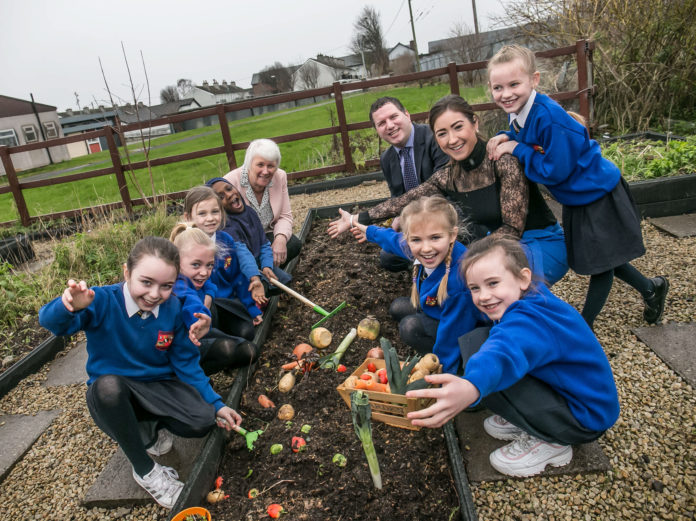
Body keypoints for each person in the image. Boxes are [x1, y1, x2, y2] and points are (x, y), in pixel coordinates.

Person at [38, 236, 241, 509]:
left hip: (158, 386)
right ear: (127, 272)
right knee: (108, 387)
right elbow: (52, 323)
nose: (155, 294)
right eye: (146, 282)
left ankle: (150, 430)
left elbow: (187, 364)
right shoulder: (101, 301)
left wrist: (216, 404)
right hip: (114, 391)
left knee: (201, 421)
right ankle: (144, 468)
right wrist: (69, 306)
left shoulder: (173, 309)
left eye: (166, 286)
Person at [485, 44, 669, 327]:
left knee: (600, 263)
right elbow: (525, 134)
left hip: (598, 193)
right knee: (602, 256)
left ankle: (585, 326)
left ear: (533, 80)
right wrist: (505, 135)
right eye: (498, 87)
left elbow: (555, 170)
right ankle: (651, 288)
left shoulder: (549, 117)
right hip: (577, 197)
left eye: (514, 84)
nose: (506, 93)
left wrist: (516, 148)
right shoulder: (521, 110)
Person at [406, 235, 620, 478]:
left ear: (523, 278)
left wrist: (472, 385)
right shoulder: (532, 298)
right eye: (475, 288)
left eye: (493, 283)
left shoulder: (531, 320)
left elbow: (505, 351)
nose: (484, 296)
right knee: (477, 341)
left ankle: (554, 442)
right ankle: (532, 419)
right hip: (574, 397)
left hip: (584, 418)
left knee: (481, 354)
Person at [329, 94, 568, 286]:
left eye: (458, 127)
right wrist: (355, 219)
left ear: (475, 123)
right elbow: (405, 200)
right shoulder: (448, 175)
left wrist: (464, 261)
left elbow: (512, 230)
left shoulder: (502, 159)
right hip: (494, 244)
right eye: (442, 133)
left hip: (537, 242)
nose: (452, 139)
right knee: (468, 286)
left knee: (479, 281)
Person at [346, 195, 479, 374]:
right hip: (440, 309)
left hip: (464, 331)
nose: (426, 248)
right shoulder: (428, 250)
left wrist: (442, 371)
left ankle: (459, 367)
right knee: (397, 308)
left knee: (409, 327)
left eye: (435, 238)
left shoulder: (459, 281)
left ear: (452, 235)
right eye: (416, 240)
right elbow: (393, 240)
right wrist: (367, 231)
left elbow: (453, 334)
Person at [368, 96, 450, 272]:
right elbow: (397, 197)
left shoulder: (434, 137)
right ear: (377, 130)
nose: (389, 126)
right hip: (416, 226)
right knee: (387, 257)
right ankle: (422, 266)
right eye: (381, 123)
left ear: (407, 115)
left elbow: (442, 189)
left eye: (394, 117)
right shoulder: (387, 158)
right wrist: (399, 217)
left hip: (445, 216)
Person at [169, 223, 260, 370]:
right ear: (177, 262)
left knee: (249, 346)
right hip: (190, 338)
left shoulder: (194, 277)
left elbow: (210, 284)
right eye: (196, 265)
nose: (204, 272)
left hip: (206, 326)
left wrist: (209, 295)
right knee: (232, 348)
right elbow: (191, 302)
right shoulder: (178, 284)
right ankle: (197, 376)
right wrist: (200, 317)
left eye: (209, 265)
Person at [205, 177, 291, 297]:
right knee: (261, 288)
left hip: (257, 260)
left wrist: (267, 266)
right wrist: (254, 277)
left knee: (284, 280)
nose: (229, 195)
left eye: (229, 189)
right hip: (242, 269)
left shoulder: (249, 212)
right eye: (221, 197)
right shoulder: (226, 226)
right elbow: (242, 254)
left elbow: (264, 243)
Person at [224, 138, 302, 268]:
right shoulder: (229, 183)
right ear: (249, 164)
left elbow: (285, 216)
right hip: (243, 241)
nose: (265, 171)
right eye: (260, 165)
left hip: (266, 236)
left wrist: (280, 239)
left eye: (271, 166)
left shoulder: (280, 176)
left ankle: (270, 277)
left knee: (293, 244)